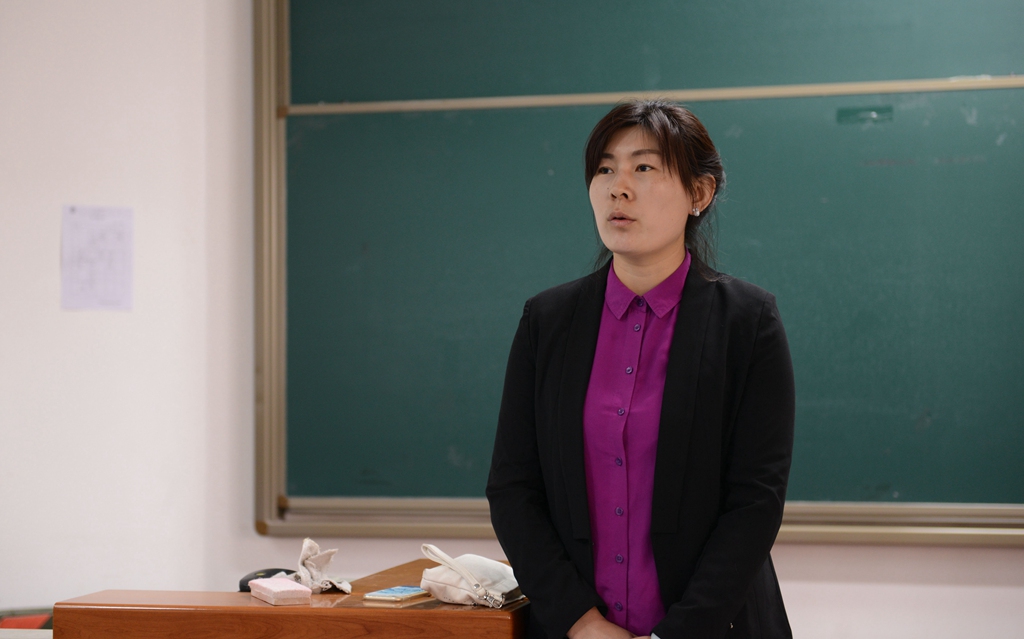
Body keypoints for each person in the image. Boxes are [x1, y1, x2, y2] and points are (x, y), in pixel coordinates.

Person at [486, 100, 795, 639]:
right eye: (605, 169)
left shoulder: (747, 323)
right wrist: (582, 623)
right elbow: (513, 489)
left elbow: (755, 502)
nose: (618, 188)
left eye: (644, 167)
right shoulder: (547, 321)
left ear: (700, 194)